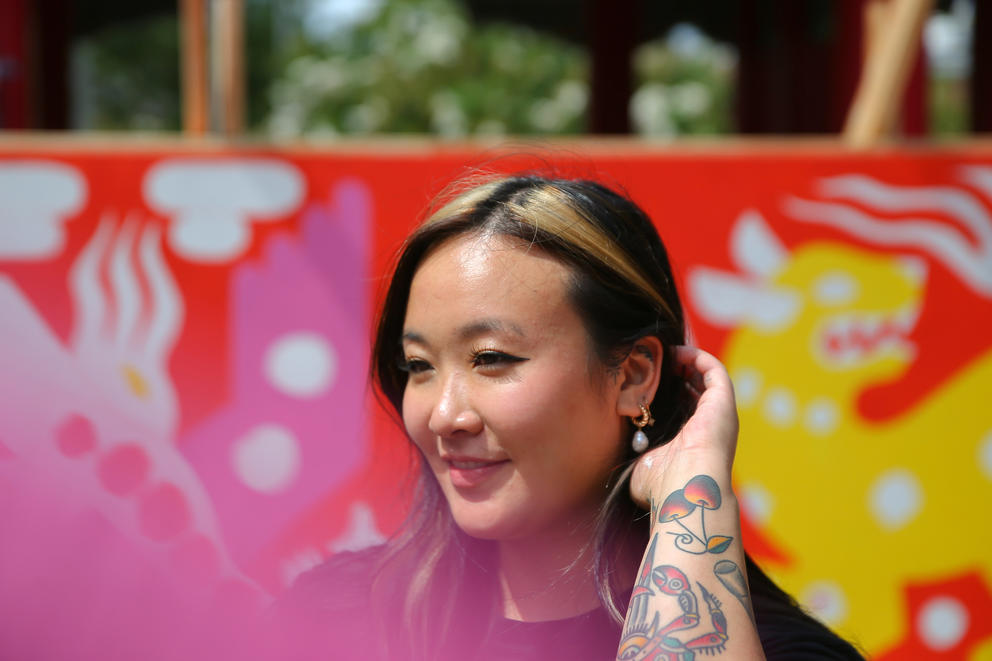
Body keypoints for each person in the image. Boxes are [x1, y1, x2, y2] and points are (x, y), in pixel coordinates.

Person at [271, 173, 864, 660]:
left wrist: (690, 493)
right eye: (419, 365)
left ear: (632, 377)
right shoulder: (331, 620)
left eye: (492, 359)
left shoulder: (779, 650)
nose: (445, 415)